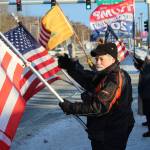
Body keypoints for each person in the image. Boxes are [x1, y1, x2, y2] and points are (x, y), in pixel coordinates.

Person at [58, 42, 135, 150]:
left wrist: (71, 108)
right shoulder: (106, 74)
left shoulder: (114, 79)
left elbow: (99, 107)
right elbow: (88, 78)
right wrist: (71, 67)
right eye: (96, 59)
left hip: (111, 134)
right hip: (105, 130)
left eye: (101, 59)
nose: (97, 62)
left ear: (112, 59)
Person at [137, 55, 150, 137]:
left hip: (147, 94)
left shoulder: (146, 68)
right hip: (145, 93)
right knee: (147, 112)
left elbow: (145, 79)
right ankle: (148, 123)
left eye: (147, 59)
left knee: (148, 112)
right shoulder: (145, 67)